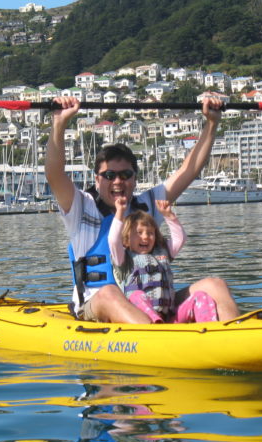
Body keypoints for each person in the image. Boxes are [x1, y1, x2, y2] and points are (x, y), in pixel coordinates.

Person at [45, 94, 240, 324]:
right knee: (109, 292)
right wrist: (59, 123)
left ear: (134, 180)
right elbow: (54, 174)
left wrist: (212, 123)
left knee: (214, 285)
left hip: (154, 304)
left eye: (125, 175)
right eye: (109, 175)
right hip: (97, 306)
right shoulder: (81, 207)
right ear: (97, 181)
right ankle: (159, 343)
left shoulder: (146, 206)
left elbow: (189, 171)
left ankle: (239, 340)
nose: (118, 181)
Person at [110, 197, 218, 323]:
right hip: (140, 320)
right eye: (139, 232)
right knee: (136, 296)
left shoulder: (163, 252)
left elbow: (180, 239)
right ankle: (155, 324)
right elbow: (113, 240)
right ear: (127, 239)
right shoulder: (124, 259)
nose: (145, 237)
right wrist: (120, 212)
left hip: (170, 317)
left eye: (150, 233)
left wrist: (169, 216)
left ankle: (210, 328)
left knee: (200, 297)